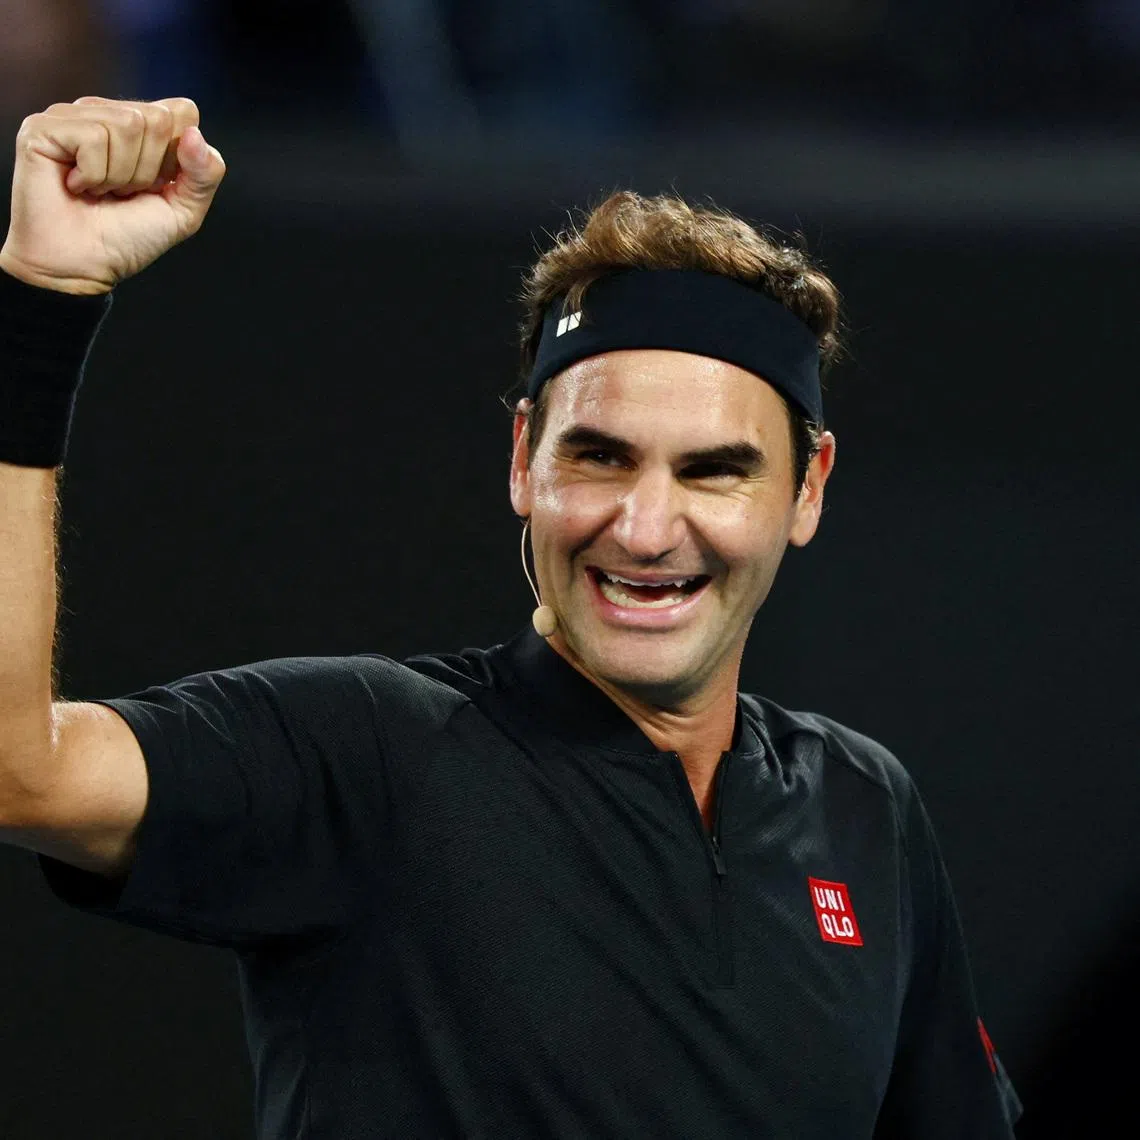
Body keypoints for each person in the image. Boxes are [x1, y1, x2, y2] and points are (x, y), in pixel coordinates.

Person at [0, 96, 1023, 1139]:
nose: (645, 529)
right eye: (601, 457)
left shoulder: (862, 807)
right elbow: (15, 766)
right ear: (524, 458)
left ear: (807, 490)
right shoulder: (372, 754)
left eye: (713, 471)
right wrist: (40, 306)